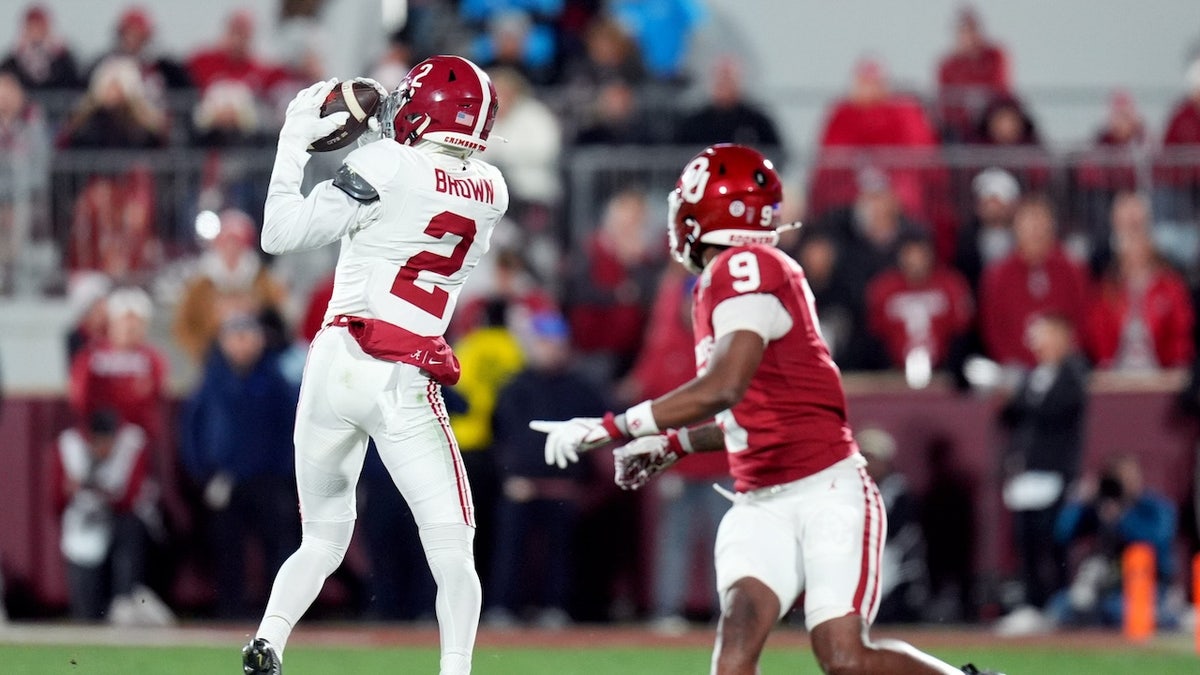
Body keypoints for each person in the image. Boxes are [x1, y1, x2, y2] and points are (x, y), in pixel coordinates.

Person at [530, 144, 1001, 675]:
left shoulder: (744, 267)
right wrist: (673, 443)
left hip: (825, 489)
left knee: (844, 658)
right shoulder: (734, 274)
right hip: (761, 503)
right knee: (733, 662)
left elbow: (722, 388)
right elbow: (754, 410)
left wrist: (610, 426)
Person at [242, 55, 509, 675]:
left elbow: (279, 233)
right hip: (401, 379)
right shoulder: (492, 189)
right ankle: (455, 669)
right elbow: (428, 185)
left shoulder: (388, 163)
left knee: (324, 537)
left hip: (336, 363)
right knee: (452, 550)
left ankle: (269, 642)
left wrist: (294, 138)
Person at [486, 312, 607, 627]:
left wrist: (582, 480)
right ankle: (503, 608)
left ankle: (556, 608)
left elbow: (599, 430)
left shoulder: (581, 387)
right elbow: (500, 435)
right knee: (510, 553)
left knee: (561, 555)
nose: (551, 349)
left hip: (563, 486)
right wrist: (509, 476)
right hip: (521, 484)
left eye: (556, 344)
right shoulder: (514, 386)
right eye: (545, 343)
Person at [180, 312, 300, 618]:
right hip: (224, 481)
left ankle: (279, 613)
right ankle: (230, 610)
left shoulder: (275, 379)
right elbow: (193, 430)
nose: (243, 345)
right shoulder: (211, 379)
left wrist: (286, 474)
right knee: (227, 549)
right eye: (236, 337)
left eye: (248, 337)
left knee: (277, 549)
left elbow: (292, 429)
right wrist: (202, 475)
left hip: (268, 480)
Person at [995, 314, 1088, 634]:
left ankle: (1056, 604)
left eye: (1045, 334)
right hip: (1026, 472)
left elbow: (1055, 411)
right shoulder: (1032, 376)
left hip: (1053, 473)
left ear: (1063, 337)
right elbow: (1009, 417)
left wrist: (1021, 394)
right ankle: (1033, 604)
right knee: (1027, 542)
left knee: (1052, 543)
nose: (1037, 342)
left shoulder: (1073, 374)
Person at [1048, 454, 1179, 628]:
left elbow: (1157, 540)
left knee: (1118, 611)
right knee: (1060, 607)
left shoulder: (1154, 507)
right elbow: (1063, 534)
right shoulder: (1100, 507)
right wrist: (1079, 503)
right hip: (1107, 587)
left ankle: (1171, 614)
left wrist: (1122, 518)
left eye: (1131, 477)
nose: (1127, 484)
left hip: (1147, 585)